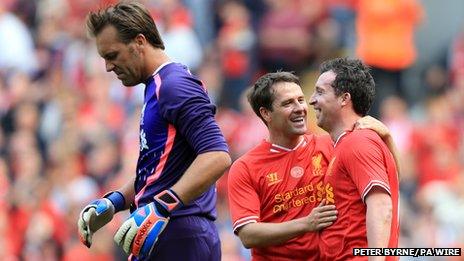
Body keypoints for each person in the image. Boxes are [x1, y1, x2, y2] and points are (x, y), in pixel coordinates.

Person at [76, 2, 231, 261]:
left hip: (181, 234)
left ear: (139, 41)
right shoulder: (155, 87)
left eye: (112, 56)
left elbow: (217, 156)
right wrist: (115, 201)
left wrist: (163, 204)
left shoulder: (174, 85)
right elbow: (159, 171)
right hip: (160, 231)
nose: (107, 67)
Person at [227, 71, 395, 260]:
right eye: (288, 103)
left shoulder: (330, 145)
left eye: (300, 99)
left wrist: (387, 139)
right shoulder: (245, 167)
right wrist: (307, 223)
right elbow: (248, 235)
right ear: (266, 113)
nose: (300, 108)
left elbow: (388, 184)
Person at [309, 57, 399, 260]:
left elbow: (382, 206)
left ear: (344, 99)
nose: (311, 99)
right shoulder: (349, 143)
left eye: (320, 92)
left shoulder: (358, 142)